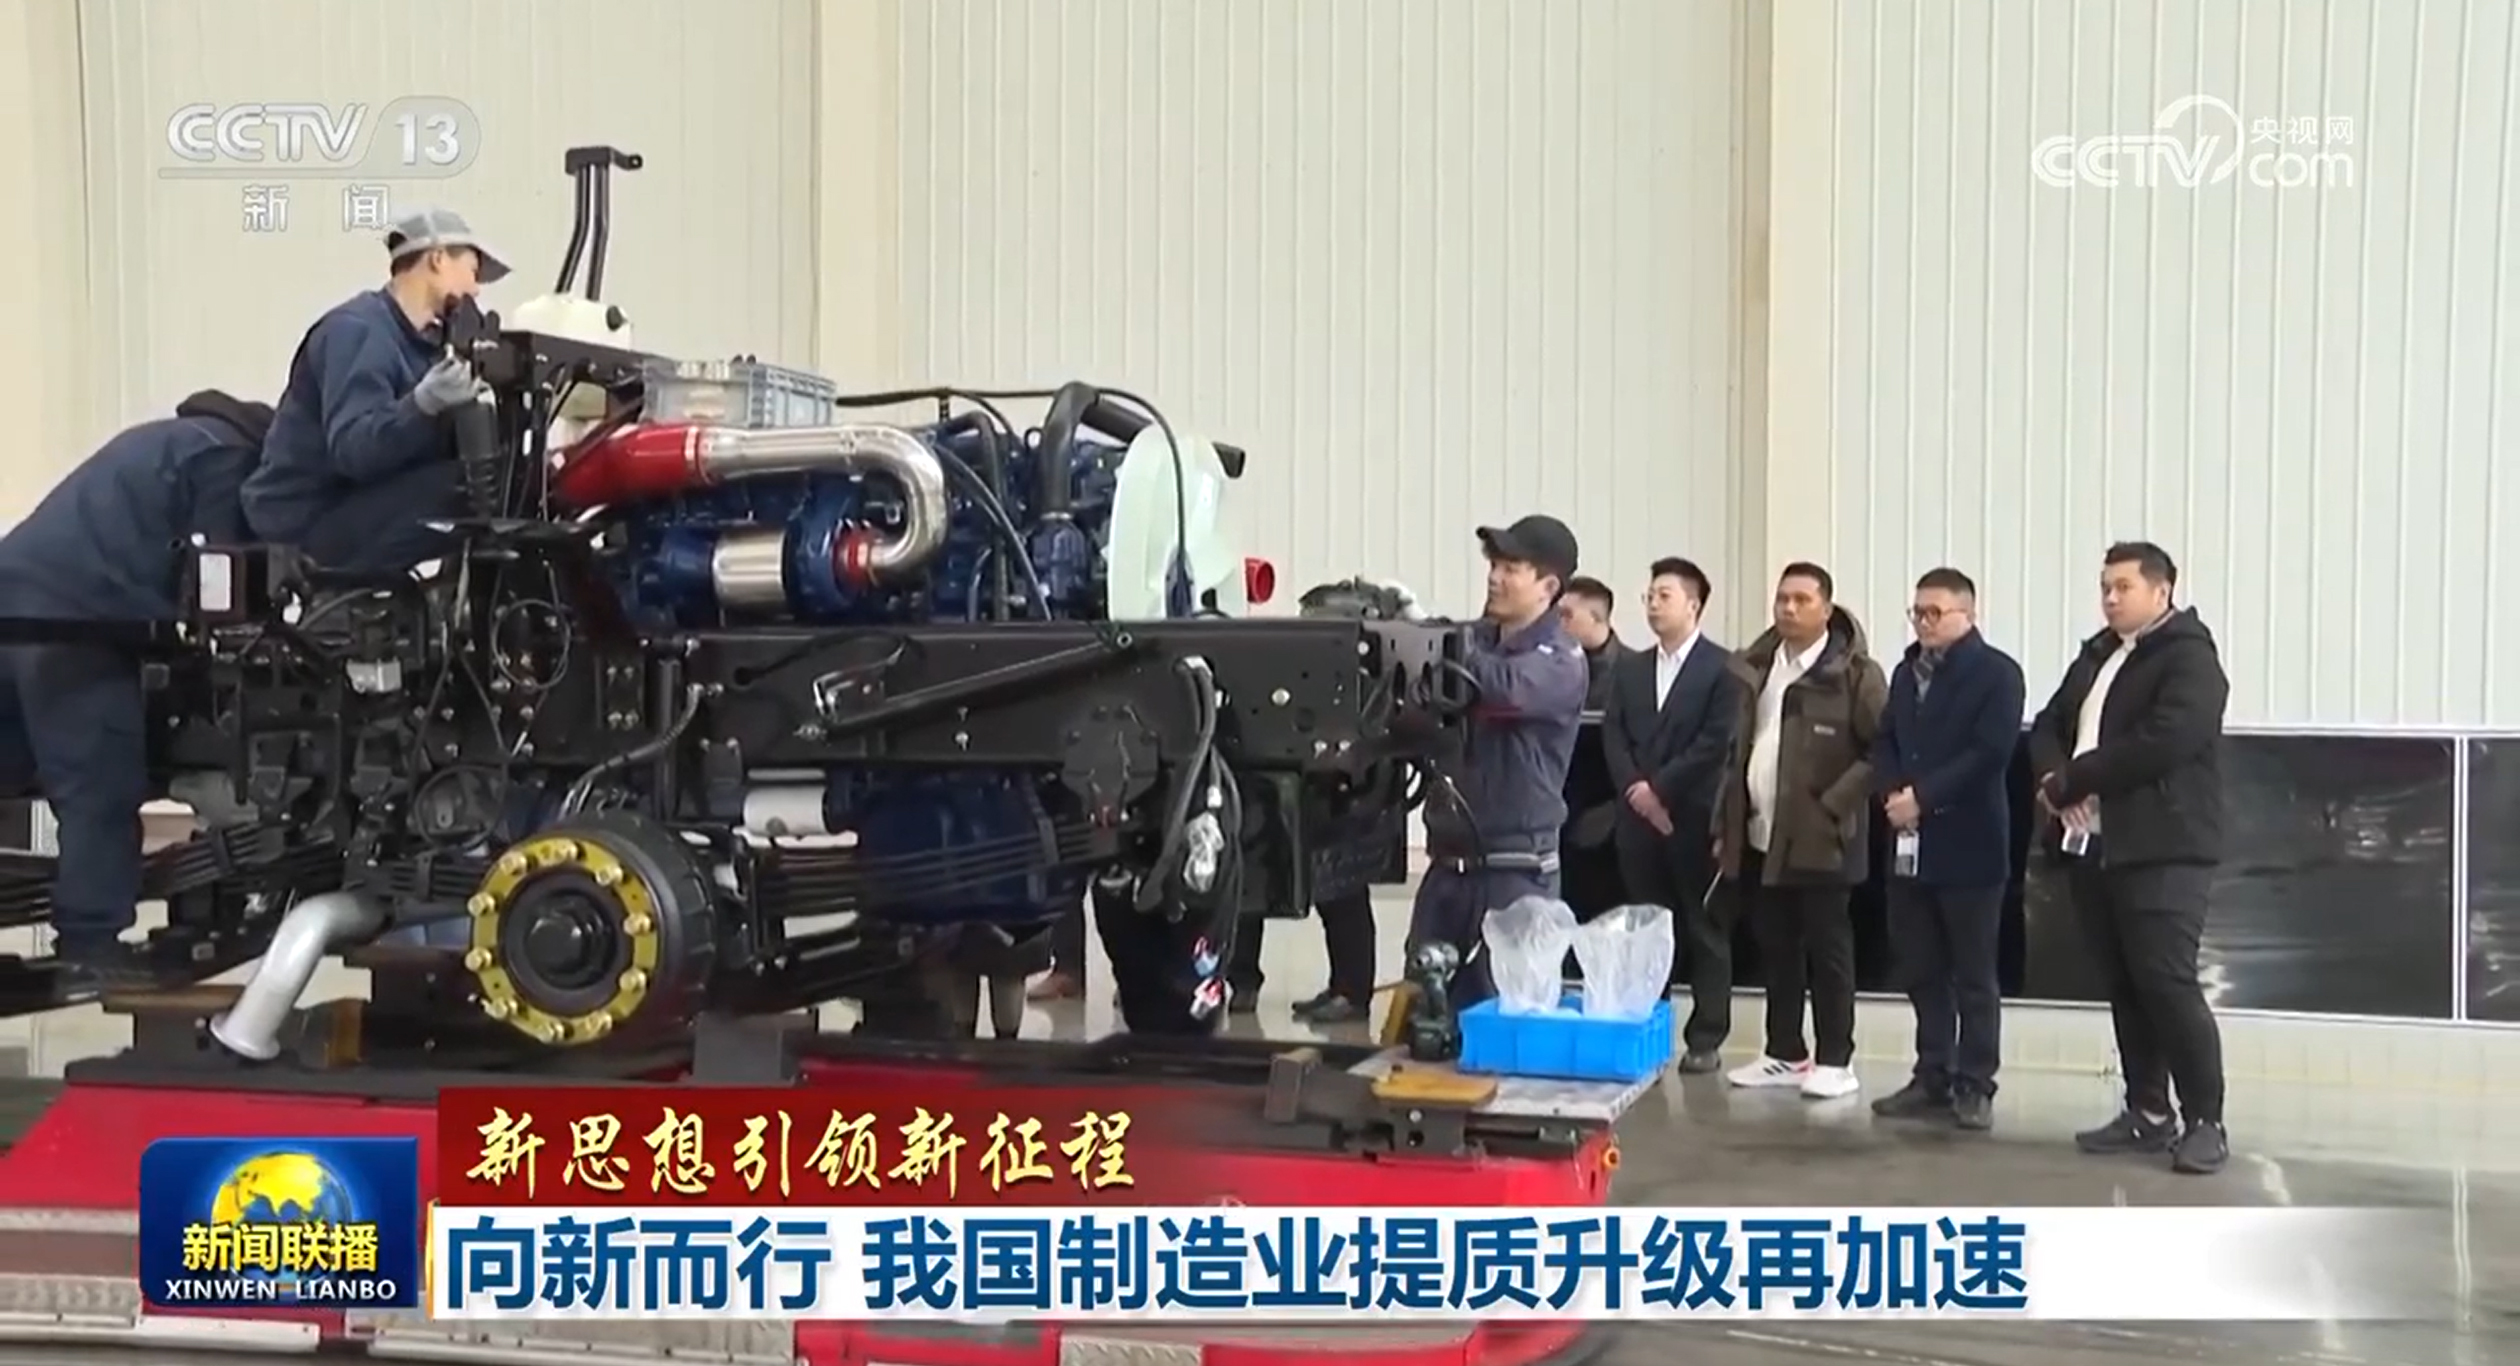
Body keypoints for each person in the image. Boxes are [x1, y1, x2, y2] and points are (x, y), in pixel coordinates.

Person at [0, 393, 276, 990]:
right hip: (76, 625)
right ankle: (89, 946)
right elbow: (221, 576)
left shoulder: (172, 441)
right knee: (99, 787)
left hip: (13, 606)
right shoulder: (229, 457)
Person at [2027, 541, 2231, 1176]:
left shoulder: (2190, 659)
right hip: (2094, 845)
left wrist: (2078, 779)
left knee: (2166, 981)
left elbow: (2165, 740)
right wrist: (2055, 781)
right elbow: (2048, 725)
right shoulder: (2098, 655)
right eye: (2105, 587)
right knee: (2123, 983)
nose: (2110, 599)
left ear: (2161, 591)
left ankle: (2205, 1121)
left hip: (2164, 846)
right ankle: (2147, 1111)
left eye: (2123, 587)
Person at [243, 208, 511, 577]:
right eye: (472, 272)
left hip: (353, 505)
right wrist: (422, 405)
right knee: (475, 486)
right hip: (309, 519)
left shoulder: (425, 346)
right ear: (437, 259)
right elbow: (353, 451)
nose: (476, 290)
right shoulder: (357, 331)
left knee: (504, 479)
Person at [1401, 515, 1590, 1006]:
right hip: (1448, 866)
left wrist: (1434, 641)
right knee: (1424, 1008)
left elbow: (1504, 689)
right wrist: (1408, 637)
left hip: (1518, 872)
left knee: (1505, 1009)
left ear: (1548, 587)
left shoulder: (1561, 660)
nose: (1494, 578)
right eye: (1493, 566)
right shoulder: (1474, 641)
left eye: (1511, 569)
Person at [1716, 562, 1886, 1100]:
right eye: (1782, 599)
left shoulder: (1855, 674)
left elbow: (1882, 749)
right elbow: (1739, 747)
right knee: (1776, 946)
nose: (1789, 609)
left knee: (1828, 949)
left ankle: (1836, 1058)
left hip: (1823, 837)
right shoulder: (1757, 666)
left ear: (1827, 609)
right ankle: (1784, 1051)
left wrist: (1833, 805)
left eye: (1802, 600)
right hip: (1761, 833)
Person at [1867, 568, 2026, 1130]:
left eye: (1935, 612)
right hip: (1910, 843)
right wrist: (1893, 792)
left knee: (1974, 974)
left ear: (1968, 614)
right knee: (1922, 967)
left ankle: (1975, 1081)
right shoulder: (1906, 673)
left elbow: (1989, 752)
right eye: (1917, 612)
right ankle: (1932, 1071)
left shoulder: (1997, 674)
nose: (1924, 622)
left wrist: (1924, 797)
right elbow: (1885, 739)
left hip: (1970, 846)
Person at [1599, 557, 1740, 1072]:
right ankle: (1647, 1025)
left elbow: (1715, 741)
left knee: (1704, 928)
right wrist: (1637, 791)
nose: (1654, 605)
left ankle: (1706, 1037)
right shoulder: (1631, 668)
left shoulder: (1723, 668)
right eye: (1650, 596)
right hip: (1637, 819)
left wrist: (1660, 789)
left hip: (1694, 816)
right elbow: (1613, 733)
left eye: (1665, 596)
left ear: (1693, 605)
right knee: (1646, 927)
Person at [1557, 576, 1627, 710]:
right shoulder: (1551, 664)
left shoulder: (1633, 672)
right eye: (1558, 615)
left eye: (1567, 615)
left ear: (1595, 618)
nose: (1559, 622)